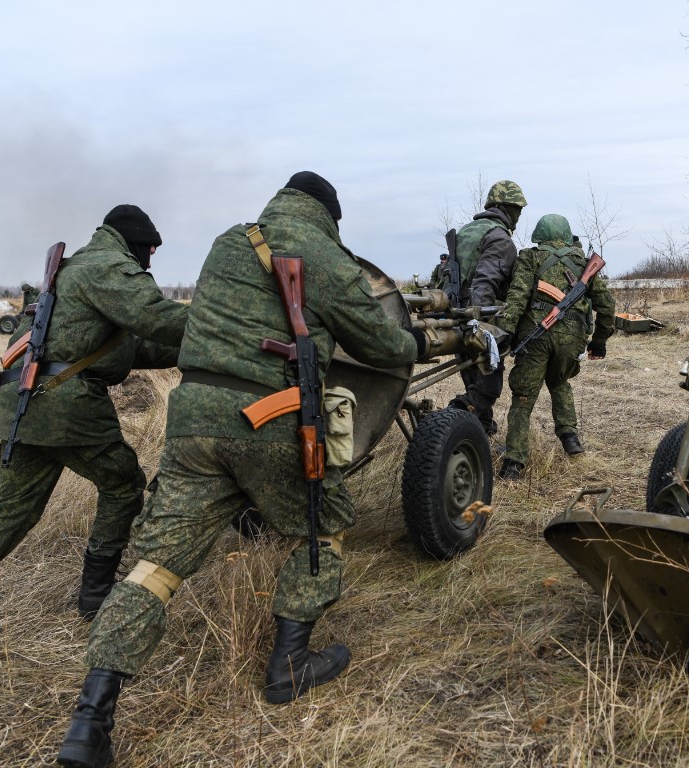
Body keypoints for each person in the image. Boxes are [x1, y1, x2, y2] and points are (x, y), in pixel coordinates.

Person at [55, 172, 430, 768]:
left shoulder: (228, 242)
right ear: (328, 214)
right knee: (321, 527)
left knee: (155, 566)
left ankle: (88, 722)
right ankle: (289, 666)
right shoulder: (324, 255)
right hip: (270, 421)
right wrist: (420, 342)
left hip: (192, 424)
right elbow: (382, 345)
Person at [0, 205, 189, 648]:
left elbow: (120, 350)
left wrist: (191, 353)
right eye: (151, 246)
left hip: (22, 405)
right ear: (137, 241)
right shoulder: (108, 266)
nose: (153, 254)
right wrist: (230, 325)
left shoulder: (72, 272)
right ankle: (95, 596)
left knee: (12, 510)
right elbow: (160, 319)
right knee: (122, 484)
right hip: (65, 409)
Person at [495, 214, 615, 480]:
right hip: (572, 339)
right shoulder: (582, 261)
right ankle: (570, 438)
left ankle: (514, 462)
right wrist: (599, 342)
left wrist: (504, 333)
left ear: (540, 235)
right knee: (559, 382)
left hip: (535, 338)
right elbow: (607, 306)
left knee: (523, 399)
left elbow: (517, 299)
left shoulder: (531, 257)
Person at [447, 179, 526, 435]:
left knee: (472, 374)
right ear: (506, 208)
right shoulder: (500, 238)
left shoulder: (467, 231)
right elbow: (485, 283)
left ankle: (480, 429)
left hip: (453, 315)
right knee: (489, 386)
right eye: (518, 209)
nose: (519, 215)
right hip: (476, 318)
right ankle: (453, 417)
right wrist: (482, 329)